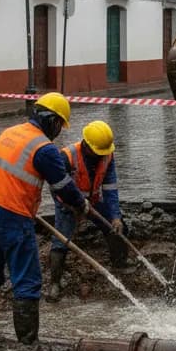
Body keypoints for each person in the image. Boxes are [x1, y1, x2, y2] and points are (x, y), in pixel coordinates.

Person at [0, 92, 89, 345]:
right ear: (53, 121)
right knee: (27, 279)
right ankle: (28, 344)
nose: (58, 132)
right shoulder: (44, 148)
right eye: (60, 126)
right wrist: (82, 205)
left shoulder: (10, 132)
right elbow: (63, 186)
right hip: (13, 215)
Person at [47, 120, 127, 302]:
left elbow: (110, 187)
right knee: (61, 240)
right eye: (98, 152)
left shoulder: (107, 155)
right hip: (69, 204)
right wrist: (71, 206)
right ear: (87, 145)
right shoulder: (67, 156)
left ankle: (119, 264)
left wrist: (115, 216)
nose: (101, 155)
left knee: (115, 227)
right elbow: (55, 187)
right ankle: (55, 283)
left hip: (94, 201)